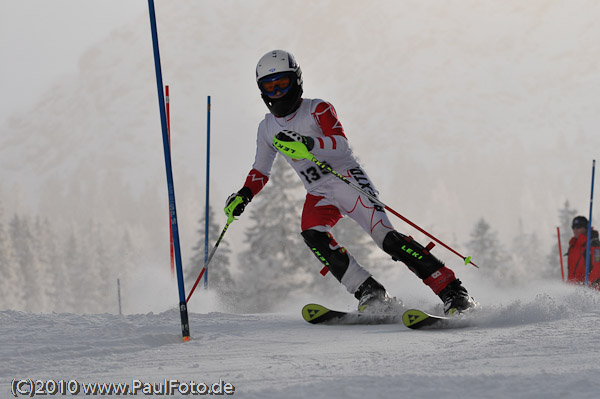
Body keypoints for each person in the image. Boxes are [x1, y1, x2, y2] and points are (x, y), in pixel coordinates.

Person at [225, 49, 477, 315]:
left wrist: (309, 144)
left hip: (347, 180)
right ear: (261, 91)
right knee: (312, 233)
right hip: (319, 191)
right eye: (270, 87)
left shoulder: (318, 109)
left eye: (283, 84)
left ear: (296, 81)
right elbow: (260, 170)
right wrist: (243, 194)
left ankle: (454, 291)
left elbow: (341, 146)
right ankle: (371, 292)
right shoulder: (266, 128)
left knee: (387, 239)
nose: (277, 93)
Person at [566, 215, 600, 288]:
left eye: (578, 227)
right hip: (573, 291)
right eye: (573, 227)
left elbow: (598, 267)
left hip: (591, 292)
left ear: (586, 228)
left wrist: (588, 283)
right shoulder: (573, 246)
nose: (575, 230)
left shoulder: (593, 243)